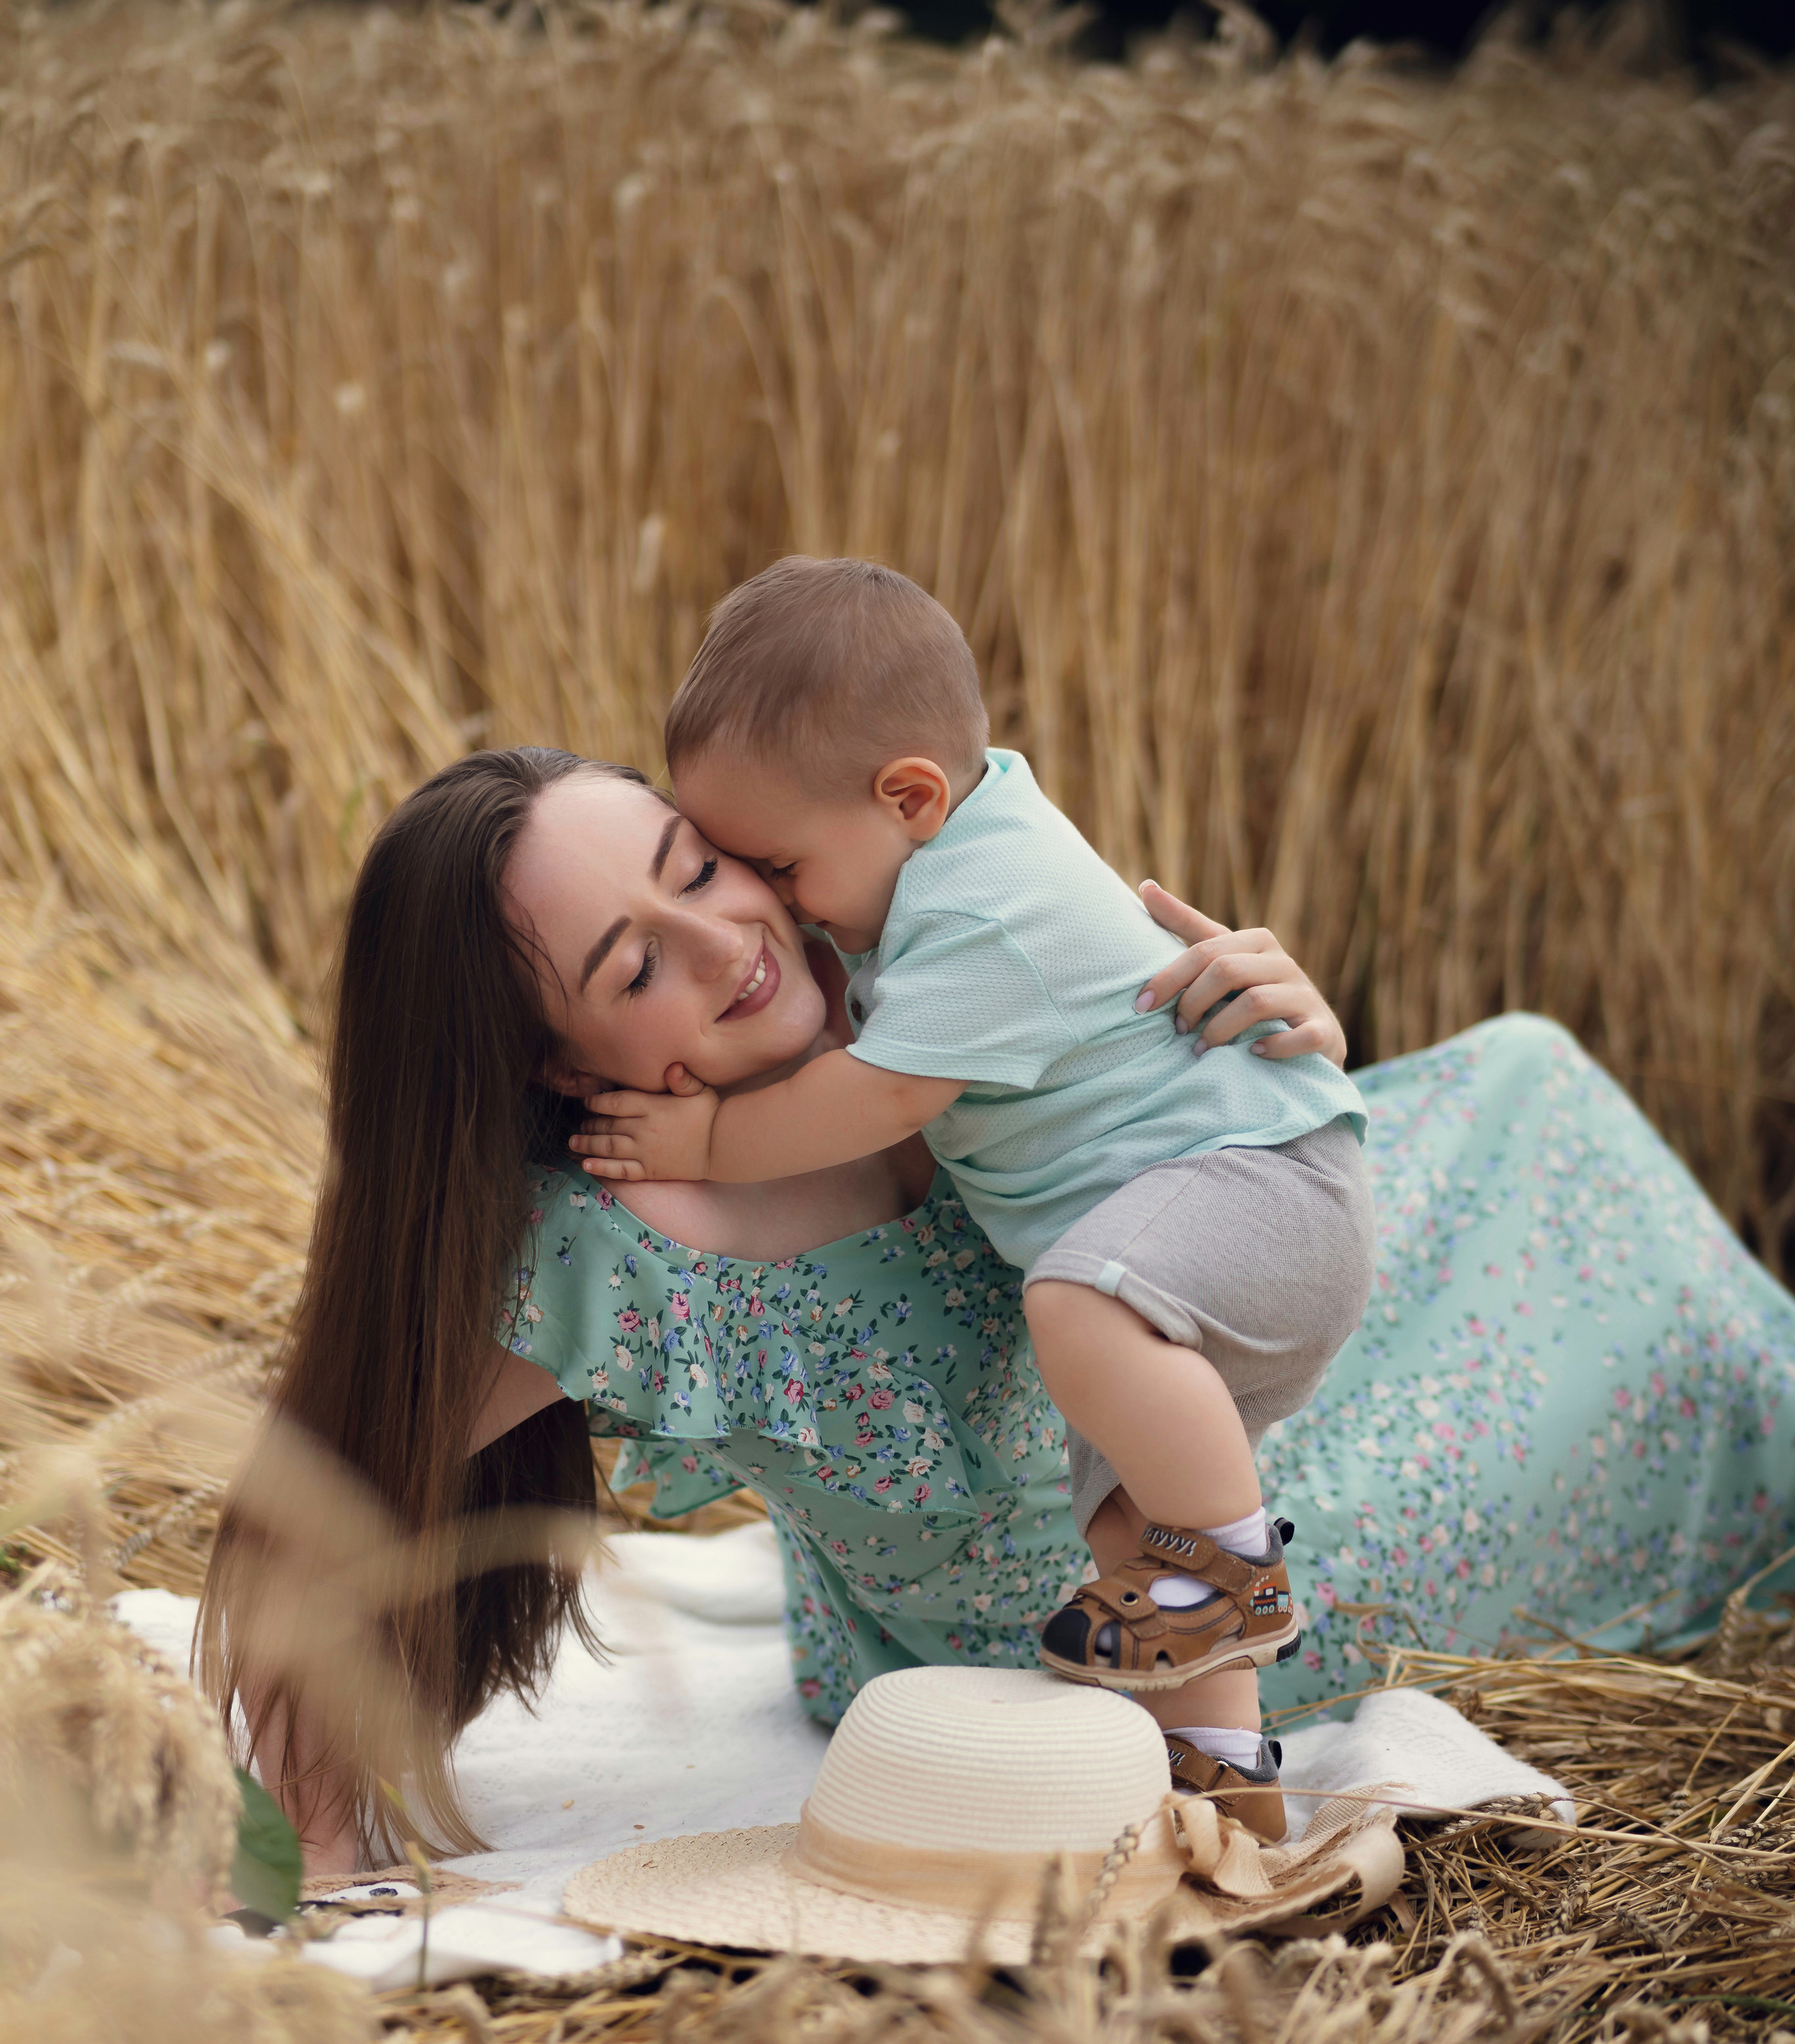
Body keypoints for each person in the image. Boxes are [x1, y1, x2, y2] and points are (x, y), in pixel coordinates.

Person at [198, 745, 1795, 1879]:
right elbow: (324, 1501)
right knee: (1645, 1385)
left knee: (1522, 1078)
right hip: (1159, 1593)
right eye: (638, 969)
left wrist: (1277, 1054)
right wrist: (308, 1842)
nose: (732, 942)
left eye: (699, 869)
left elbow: (1179, 1158)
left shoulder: (925, 974)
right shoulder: (622, 1239)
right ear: (566, 1068)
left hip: (1224, 1335)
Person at [570, 559, 1375, 1836]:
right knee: (1126, 1529)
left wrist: (712, 1137)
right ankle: (1227, 1791)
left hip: (1254, 1196)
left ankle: (1243, 1575)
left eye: (777, 864)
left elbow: (886, 1096)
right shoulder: (938, 866)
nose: (774, 906)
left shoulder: (986, 913)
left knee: (1072, 1309)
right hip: (1190, 1238)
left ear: (908, 796)